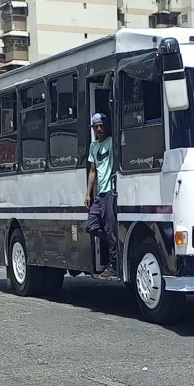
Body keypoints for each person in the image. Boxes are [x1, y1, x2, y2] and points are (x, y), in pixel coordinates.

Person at [85, 113, 118, 278]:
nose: (99, 129)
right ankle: (115, 243)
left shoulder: (112, 142)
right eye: (96, 126)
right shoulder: (93, 146)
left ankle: (113, 265)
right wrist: (88, 193)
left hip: (110, 191)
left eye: (101, 125)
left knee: (110, 229)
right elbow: (93, 171)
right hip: (99, 193)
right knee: (90, 226)